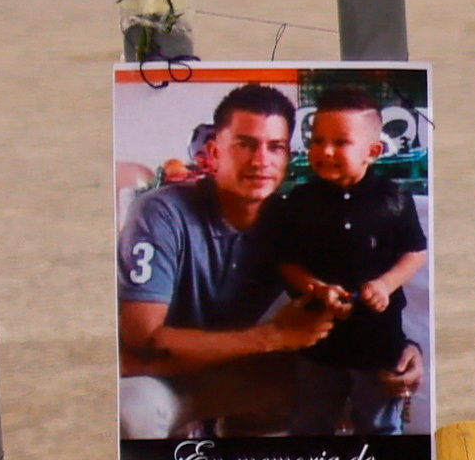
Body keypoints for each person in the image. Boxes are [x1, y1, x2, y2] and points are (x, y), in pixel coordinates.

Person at [118, 83, 330, 438]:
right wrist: (270, 338)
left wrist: (404, 352)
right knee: (131, 412)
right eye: (245, 144)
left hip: (235, 376)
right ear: (213, 153)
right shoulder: (160, 211)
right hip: (161, 377)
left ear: (287, 158)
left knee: (345, 385)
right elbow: (143, 341)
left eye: (275, 147)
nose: (261, 160)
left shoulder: (295, 218)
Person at [255, 94, 429, 437]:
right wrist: (315, 287)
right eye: (317, 141)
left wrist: (385, 284)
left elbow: (415, 252)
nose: (325, 151)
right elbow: (286, 261)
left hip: (379, 342)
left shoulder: (393, 199)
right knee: (310, 423)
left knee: (379, 425)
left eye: (340, 142)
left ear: (373, 152)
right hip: (319, 342)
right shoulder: (300, 202)